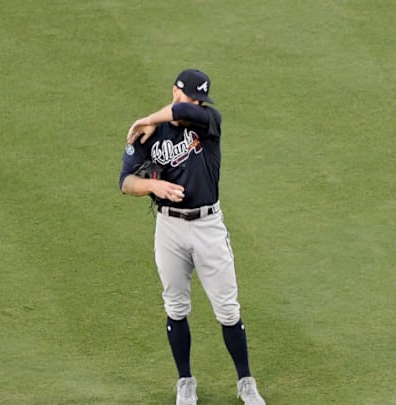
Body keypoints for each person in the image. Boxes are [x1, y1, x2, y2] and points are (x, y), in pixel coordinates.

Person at [119, 68, 266, 405]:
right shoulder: (149, 136)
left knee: (228, 310)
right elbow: (125, 182)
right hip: (169, 228)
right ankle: (185, 381)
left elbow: (184, 113)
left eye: (201, 99)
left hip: (208, 227)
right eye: (191, 96)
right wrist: (152, 186)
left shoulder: (208, 121)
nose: (197, 104)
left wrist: (149, 117)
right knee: (175, 306)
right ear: (175, 91)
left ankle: (246, 382)